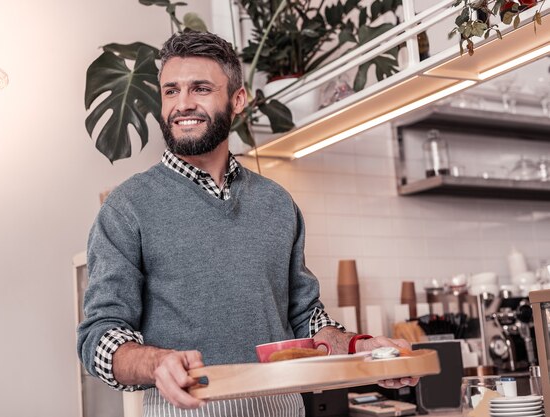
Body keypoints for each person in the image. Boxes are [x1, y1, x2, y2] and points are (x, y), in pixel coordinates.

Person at [77, 31, 418, 417]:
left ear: (237, 100)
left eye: (200, 88)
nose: (182, 104)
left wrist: (362, 347)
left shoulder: (276, 202)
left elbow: (306, 320)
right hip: (186, 408)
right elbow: (100, 335)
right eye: (171, 91)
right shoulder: (127, 207)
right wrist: (157, 363)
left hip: (283, 407)